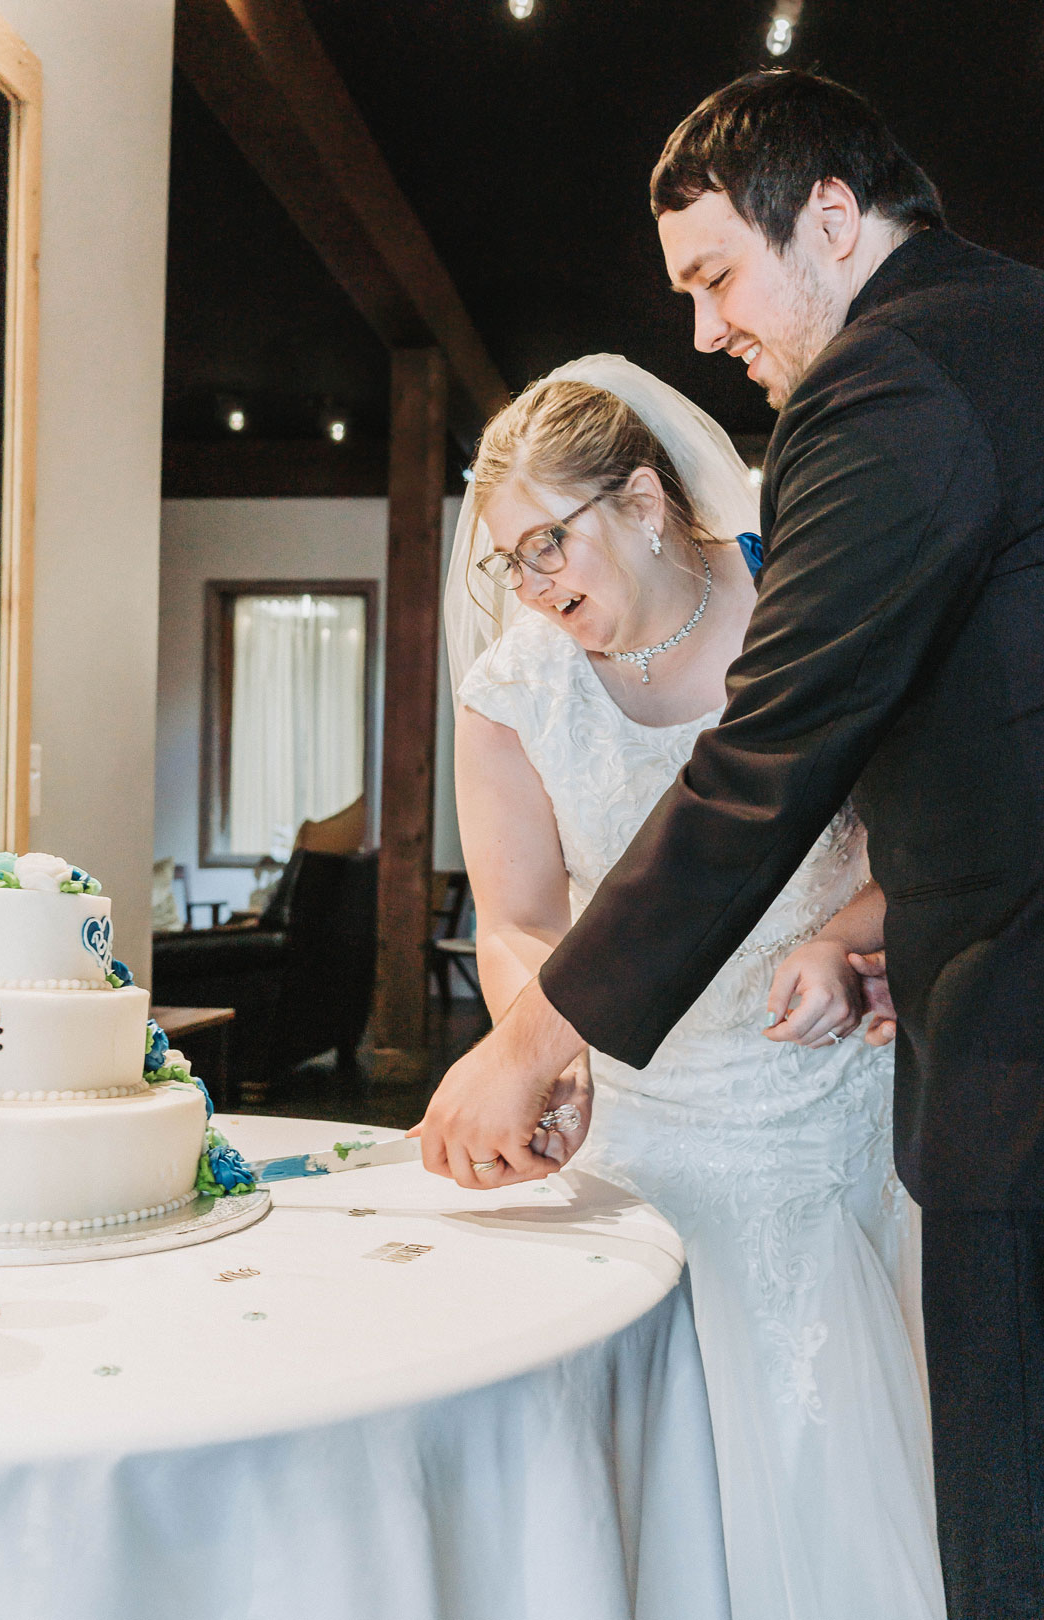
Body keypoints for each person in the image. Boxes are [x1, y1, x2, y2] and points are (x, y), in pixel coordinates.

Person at [419, 70, 1044, 1620]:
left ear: (832, 219)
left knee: (1004, 1519)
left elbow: (769, 762)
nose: (702, 332)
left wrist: (533, 1036)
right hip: (888, 1011)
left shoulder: (890, 383)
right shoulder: (1009, 332)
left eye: (716, 277)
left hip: (1007, 1048)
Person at [439, 354, 943, 1620]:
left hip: (819, 1113)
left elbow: (923, 853)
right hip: (631, 1122)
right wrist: (547, 1053)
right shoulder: (512, 693)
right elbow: (518, 917)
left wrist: (847, 941)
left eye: (551, 543)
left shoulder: (807, 625)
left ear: (647, 505)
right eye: (511, 561)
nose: (535, 588)